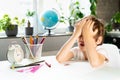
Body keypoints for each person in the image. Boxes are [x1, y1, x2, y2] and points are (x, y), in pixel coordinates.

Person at [56, 15, 120, 68]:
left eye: (86, 36)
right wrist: (75, 35)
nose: (81, 39)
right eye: (79, 35)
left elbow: (95, 63)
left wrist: (87, 34)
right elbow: (59, 59)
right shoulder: (77, 51)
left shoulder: (102, 50)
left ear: (98, 40)